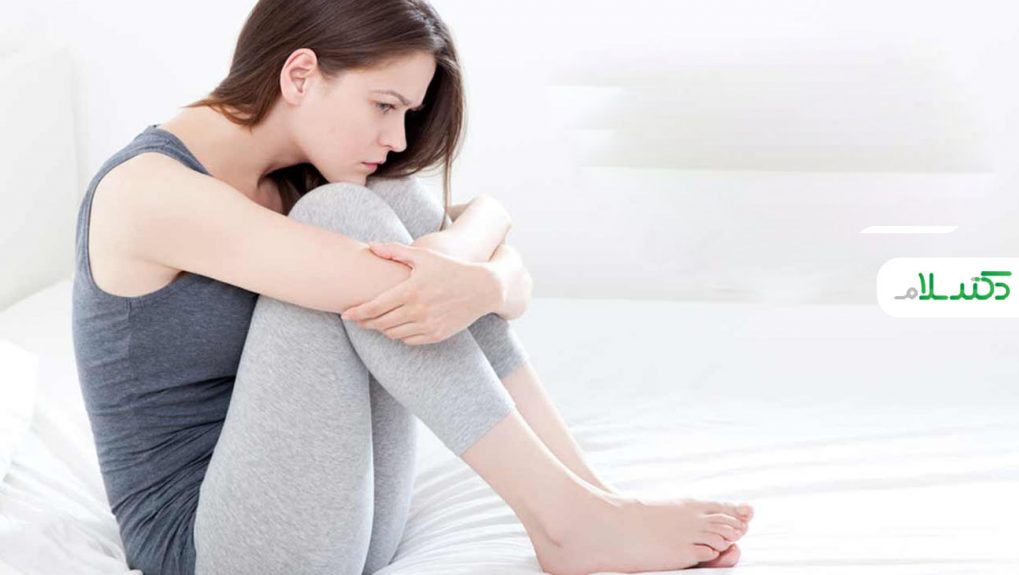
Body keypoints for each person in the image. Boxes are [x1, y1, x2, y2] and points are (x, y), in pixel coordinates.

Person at [70, 1, 754, 573]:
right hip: (216, 545)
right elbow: (425, 288)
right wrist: (484, 265)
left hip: (342, 519)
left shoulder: (296, 174)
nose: (397, 137)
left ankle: (590, 500)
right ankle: (569, 519)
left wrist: (479, 250)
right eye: (384, 105)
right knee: (349, 217)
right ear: (300, 75)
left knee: (389, 199)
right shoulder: (149, 191)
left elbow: (478, 272)